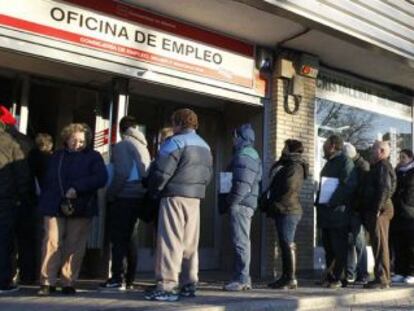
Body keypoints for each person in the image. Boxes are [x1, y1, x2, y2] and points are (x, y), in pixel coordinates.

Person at [145, 108, 213, 302]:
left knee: (170, 241)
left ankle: (167, 286)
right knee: (190, 243)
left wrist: (154, 191)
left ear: (178, 123)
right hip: (195, 198)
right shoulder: (205, 146)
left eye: (173, 122)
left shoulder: (174, 142)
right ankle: (189, 283)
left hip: (173, 195)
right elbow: (208, 175)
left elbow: (160, 172)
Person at [38, 123, 107, 295]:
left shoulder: (94, 157)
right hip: (54, 204)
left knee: (74, 245)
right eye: (74, 140)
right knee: (51, 241)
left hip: (81, 205)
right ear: (66, 139)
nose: (78, 144)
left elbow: (101, 178)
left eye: (82, 141)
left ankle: (68, 281)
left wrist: (77, 187)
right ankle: (47, 281)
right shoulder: (57, 156)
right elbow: (48, 179)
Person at [100, 116, 151, 291]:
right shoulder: (143, 146)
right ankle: (130, 279)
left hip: (124, 196)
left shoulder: (123, 146)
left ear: (120, 129)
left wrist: (111, 194)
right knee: (131, 238)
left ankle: (116, 278)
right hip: (139, 197)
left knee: (119, 239)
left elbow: (121, 173)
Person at [223, 123, 262, 292]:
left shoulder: (246, 153)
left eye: (234, 136)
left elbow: (242, 183)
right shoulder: (247, 153)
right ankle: (240, 277)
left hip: (241, 204)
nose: (232, 139)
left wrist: (232, 201)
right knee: (241, 241)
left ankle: (242, 279)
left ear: (240, 137)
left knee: (241, 242)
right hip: (243, 203)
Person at [266, 139, 308, 289]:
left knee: (287, 244)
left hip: (288, 210)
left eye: (285, 147)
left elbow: (289, 188)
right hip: (283, 209)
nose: (282, 150)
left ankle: (290, 278)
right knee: (284, 244)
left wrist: (276, 202)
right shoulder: (288, 165)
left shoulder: (295, 167)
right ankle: (285, 276)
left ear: (291, 149)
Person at [316, 135, 356, 289]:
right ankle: (330, 276)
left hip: (338, 214)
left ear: (332, 145)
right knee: (328, 247)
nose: (323, 146)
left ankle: (338, 278)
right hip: (326, 213)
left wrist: (332, 200)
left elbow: (348, 186)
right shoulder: (329, 163)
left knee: (339, 247)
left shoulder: (345, 162)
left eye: (325, 143)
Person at [0, 107, 32, 293]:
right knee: (4, 240)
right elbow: (22, 175)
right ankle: (3, 281)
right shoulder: (12, 142)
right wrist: (23, 197)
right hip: (5, 198)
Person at [362, 140, 396, 289]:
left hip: (380, 209)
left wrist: (377, 208)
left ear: (381, 151)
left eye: (373, 149)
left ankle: (382, 279)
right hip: (378, 208)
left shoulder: (382, 166)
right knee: (378, 243)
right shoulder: (377, 167)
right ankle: (381, 277)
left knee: (380, 244)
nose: (370, 151)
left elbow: (385, 188)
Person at [342, 143, 369, 285]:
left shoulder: (362, 167)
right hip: (349, 209)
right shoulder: (353, 165)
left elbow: (363, 190)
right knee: (349, 243)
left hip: (357, 210)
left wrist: (357, 206)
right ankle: (350, 273)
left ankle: (363, 273)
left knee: (360, 243)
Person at [390, 149, 414, 285]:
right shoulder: (397, 171)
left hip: (410, 213)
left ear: (411, 158)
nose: (401, 159)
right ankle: (400, 271)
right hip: (397, 213)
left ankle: (411, 272)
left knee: (410, 245)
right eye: (400, 157)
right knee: (398, 244)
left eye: (403, 157)